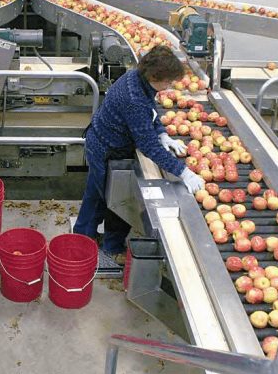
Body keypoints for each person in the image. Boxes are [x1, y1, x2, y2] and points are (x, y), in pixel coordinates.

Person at [73, 45, 204, 264]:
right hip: (106, 148)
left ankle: (81, 237)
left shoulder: (136, 77)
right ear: (155, 76)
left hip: (100, 140)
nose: (170, 85)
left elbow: (150, 109)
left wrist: (162, 132)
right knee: (115, 201)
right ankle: (110, 247)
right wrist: (183, 171)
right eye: (168, 81)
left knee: (95, 194)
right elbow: (149, 147)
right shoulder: (133, 100)